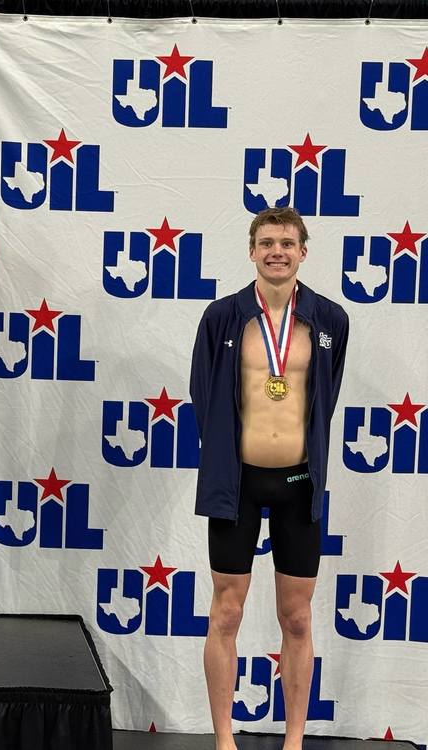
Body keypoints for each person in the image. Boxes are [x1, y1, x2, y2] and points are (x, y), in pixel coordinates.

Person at [190, 207, 348, 749]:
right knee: (226, 612)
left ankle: (295, 739)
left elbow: (324, 400)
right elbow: (203, 397)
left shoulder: (330, 320)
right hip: (237, 483)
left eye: (287, 242)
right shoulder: (222, 317)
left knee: (297, 618)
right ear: (251, 251)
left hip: (299, 484)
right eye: (266, 243)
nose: (276, 251)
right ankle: (224, 740)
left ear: (303, 251)